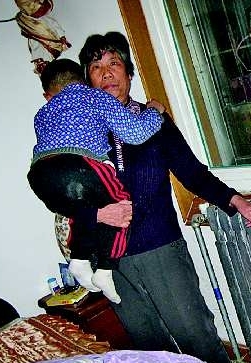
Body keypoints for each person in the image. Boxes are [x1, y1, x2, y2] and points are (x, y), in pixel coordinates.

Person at [76, 31, 251, 363]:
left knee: (196, 336)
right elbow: (65, 192)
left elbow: (192, 172)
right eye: (96, 67)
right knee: (148, 347)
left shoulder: (154, 123)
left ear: (129, 72)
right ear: (88, 81)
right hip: (108, 260)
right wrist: (96, 213)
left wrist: (237, 202)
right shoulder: (80, 133)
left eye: (114, 63)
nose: (107, 73)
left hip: (161, 249)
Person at [27, 58, 166, 304]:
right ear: (83, 82)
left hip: (39, 176)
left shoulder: (41, 114)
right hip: (78, 165)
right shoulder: (96, 97)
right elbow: (136, 134)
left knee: (86, 208)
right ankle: (105, 270)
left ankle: (79, 260)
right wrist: (155, 112)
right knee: (122, 204)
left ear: (47, 96)